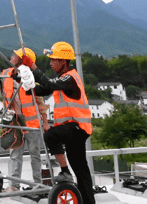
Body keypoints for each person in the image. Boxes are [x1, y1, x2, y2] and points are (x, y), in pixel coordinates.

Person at [28, 41, 95, 204]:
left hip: (77, 127)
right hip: (76, 128)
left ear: (63, 61)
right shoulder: (64, 78)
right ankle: (88, 201)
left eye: (53, 60)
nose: (51, 63)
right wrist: (27, 85)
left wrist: (33, 68)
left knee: (50, 136)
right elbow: (45, 89)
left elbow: (49, 84)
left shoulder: (69, 78)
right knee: (80, 169)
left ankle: (64, 171)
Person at [0, 48, 48, 191]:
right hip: (14, 124)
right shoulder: (5, 74)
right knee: (15, 155)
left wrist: (45, 122)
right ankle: (14, 186)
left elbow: (40, 102)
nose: (12, 57)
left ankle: (38, 184)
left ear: (22, 60)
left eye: (15, 56)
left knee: (35, 155)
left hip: (32, 124)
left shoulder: (30, 78)